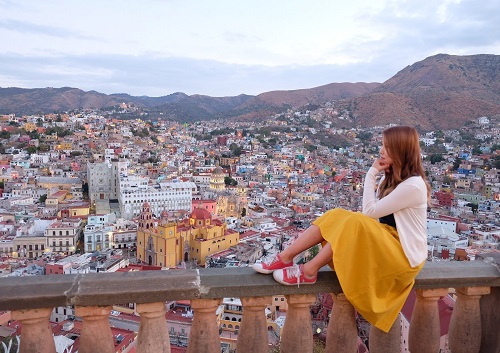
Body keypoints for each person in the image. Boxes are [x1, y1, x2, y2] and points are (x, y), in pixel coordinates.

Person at [252, 125, 430, 333]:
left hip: (402, 256)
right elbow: (371, 215)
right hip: (388, 243)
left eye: (387, 147)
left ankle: (309, 271)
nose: (381, 151)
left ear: (401, 150)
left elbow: (369, 212)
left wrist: (371, 174)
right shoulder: (391, 179)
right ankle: (285, 257)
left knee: (355, 221)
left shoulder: (414, 185)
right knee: (336, 214)